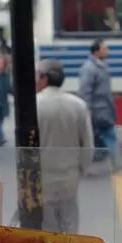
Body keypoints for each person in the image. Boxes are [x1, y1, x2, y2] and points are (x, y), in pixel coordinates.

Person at [36, 59, 94, 233]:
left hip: (42, 180)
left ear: (44, 78)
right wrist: (82, 169)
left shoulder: (33, 105)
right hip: (69, 179)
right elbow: (88, 145)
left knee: (47, 232)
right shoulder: (78, 105)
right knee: (69, 231)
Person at [78, 39, 118, 166]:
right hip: (97, 109)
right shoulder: (90, 69)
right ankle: (116, 161)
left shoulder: (101, 66)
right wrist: (87, 109)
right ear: (96, 52)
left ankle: (114, 161)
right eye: (105, 49)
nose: (108, 51)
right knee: (107, 134)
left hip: (103, 109)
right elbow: (85, 90)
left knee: (101, 136)